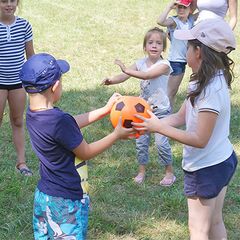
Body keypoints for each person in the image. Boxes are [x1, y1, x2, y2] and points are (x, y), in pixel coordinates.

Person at [133, 18, 238, 239]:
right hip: (220, 160)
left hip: (206, 168)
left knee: (198, 230)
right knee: (215, 221)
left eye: (187, 45)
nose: (183, 49)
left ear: (198, 51)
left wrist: (159, 127)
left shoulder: (210, 91)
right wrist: (150, 123)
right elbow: (181, 116)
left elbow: (200, 139)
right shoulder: (202, 79)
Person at [19, 53, 135, 239]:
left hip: (44, 196)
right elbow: (86, 152)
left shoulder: (34, 114)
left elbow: (70, 123)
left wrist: (105, 110)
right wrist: (116, 135)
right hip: (66, 201)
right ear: (55, 86)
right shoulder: (59, 121)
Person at [102, 27, 176, 186]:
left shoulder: (165, 65)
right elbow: (124, 76)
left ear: (163, 47)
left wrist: (127, 69)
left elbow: (148, 75)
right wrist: (112, 80)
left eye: (158, 43)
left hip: (161, 111)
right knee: (141, 143)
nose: (154, 46)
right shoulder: (140, 63)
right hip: (141, 110)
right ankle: (141, 171)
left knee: (161, 143)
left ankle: (169, 172)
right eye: (151, 43)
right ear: (145, 47)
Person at [0, 0, 35, 176]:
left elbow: (30, 56)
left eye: (12, 0)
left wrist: (35, 80)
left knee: (18, 120)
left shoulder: (24, 25)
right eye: (3, 1)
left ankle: (21, 163)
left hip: (17, 82)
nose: (8, 4)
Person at [157, 0, 197, 110]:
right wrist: (170, 6)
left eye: (184, 7)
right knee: (170, 92)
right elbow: (160, 21)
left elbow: (205, 11)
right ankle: (164, 116)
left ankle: (165, 115)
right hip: (176, 62)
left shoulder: (190, 19)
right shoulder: (174, 22)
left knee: (171, 92)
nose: (181, 9)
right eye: (179, 7)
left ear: (190, 8)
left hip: (187, 60)